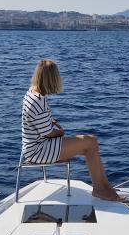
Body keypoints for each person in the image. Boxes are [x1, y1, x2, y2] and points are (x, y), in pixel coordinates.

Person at [22, 59, 123, 201]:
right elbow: (48, 133)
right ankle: (100, 189)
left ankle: (105, 187)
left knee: (90, 145)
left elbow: (37, 122)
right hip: (39, 150)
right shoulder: (37, 100)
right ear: (51, 78)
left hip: (36, 145)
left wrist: (49, 122)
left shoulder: (32, 93)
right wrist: (60, 132)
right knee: (90, 142)